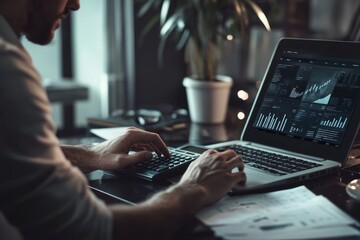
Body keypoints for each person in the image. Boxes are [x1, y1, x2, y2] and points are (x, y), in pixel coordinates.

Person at [0, 0, 246, 239]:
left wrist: (92, 154)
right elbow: (94, 231)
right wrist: (194, 188)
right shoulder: (8, 71)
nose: (75, 4)